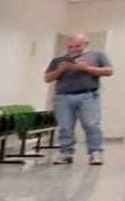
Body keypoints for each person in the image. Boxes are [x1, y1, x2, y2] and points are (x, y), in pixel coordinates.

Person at [43, 34, 113, 165]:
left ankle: (95, 153)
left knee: (91, 124)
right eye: (70, 46)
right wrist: (60, 70)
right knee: (65, 126)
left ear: (86, 44)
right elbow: (47, 78)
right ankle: (65, 153)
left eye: (77, 46)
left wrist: (87, 69)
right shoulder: (58, 60)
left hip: (88, 95)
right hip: (63, 96)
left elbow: (109, 71)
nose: (74, 49)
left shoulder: (97, 55)